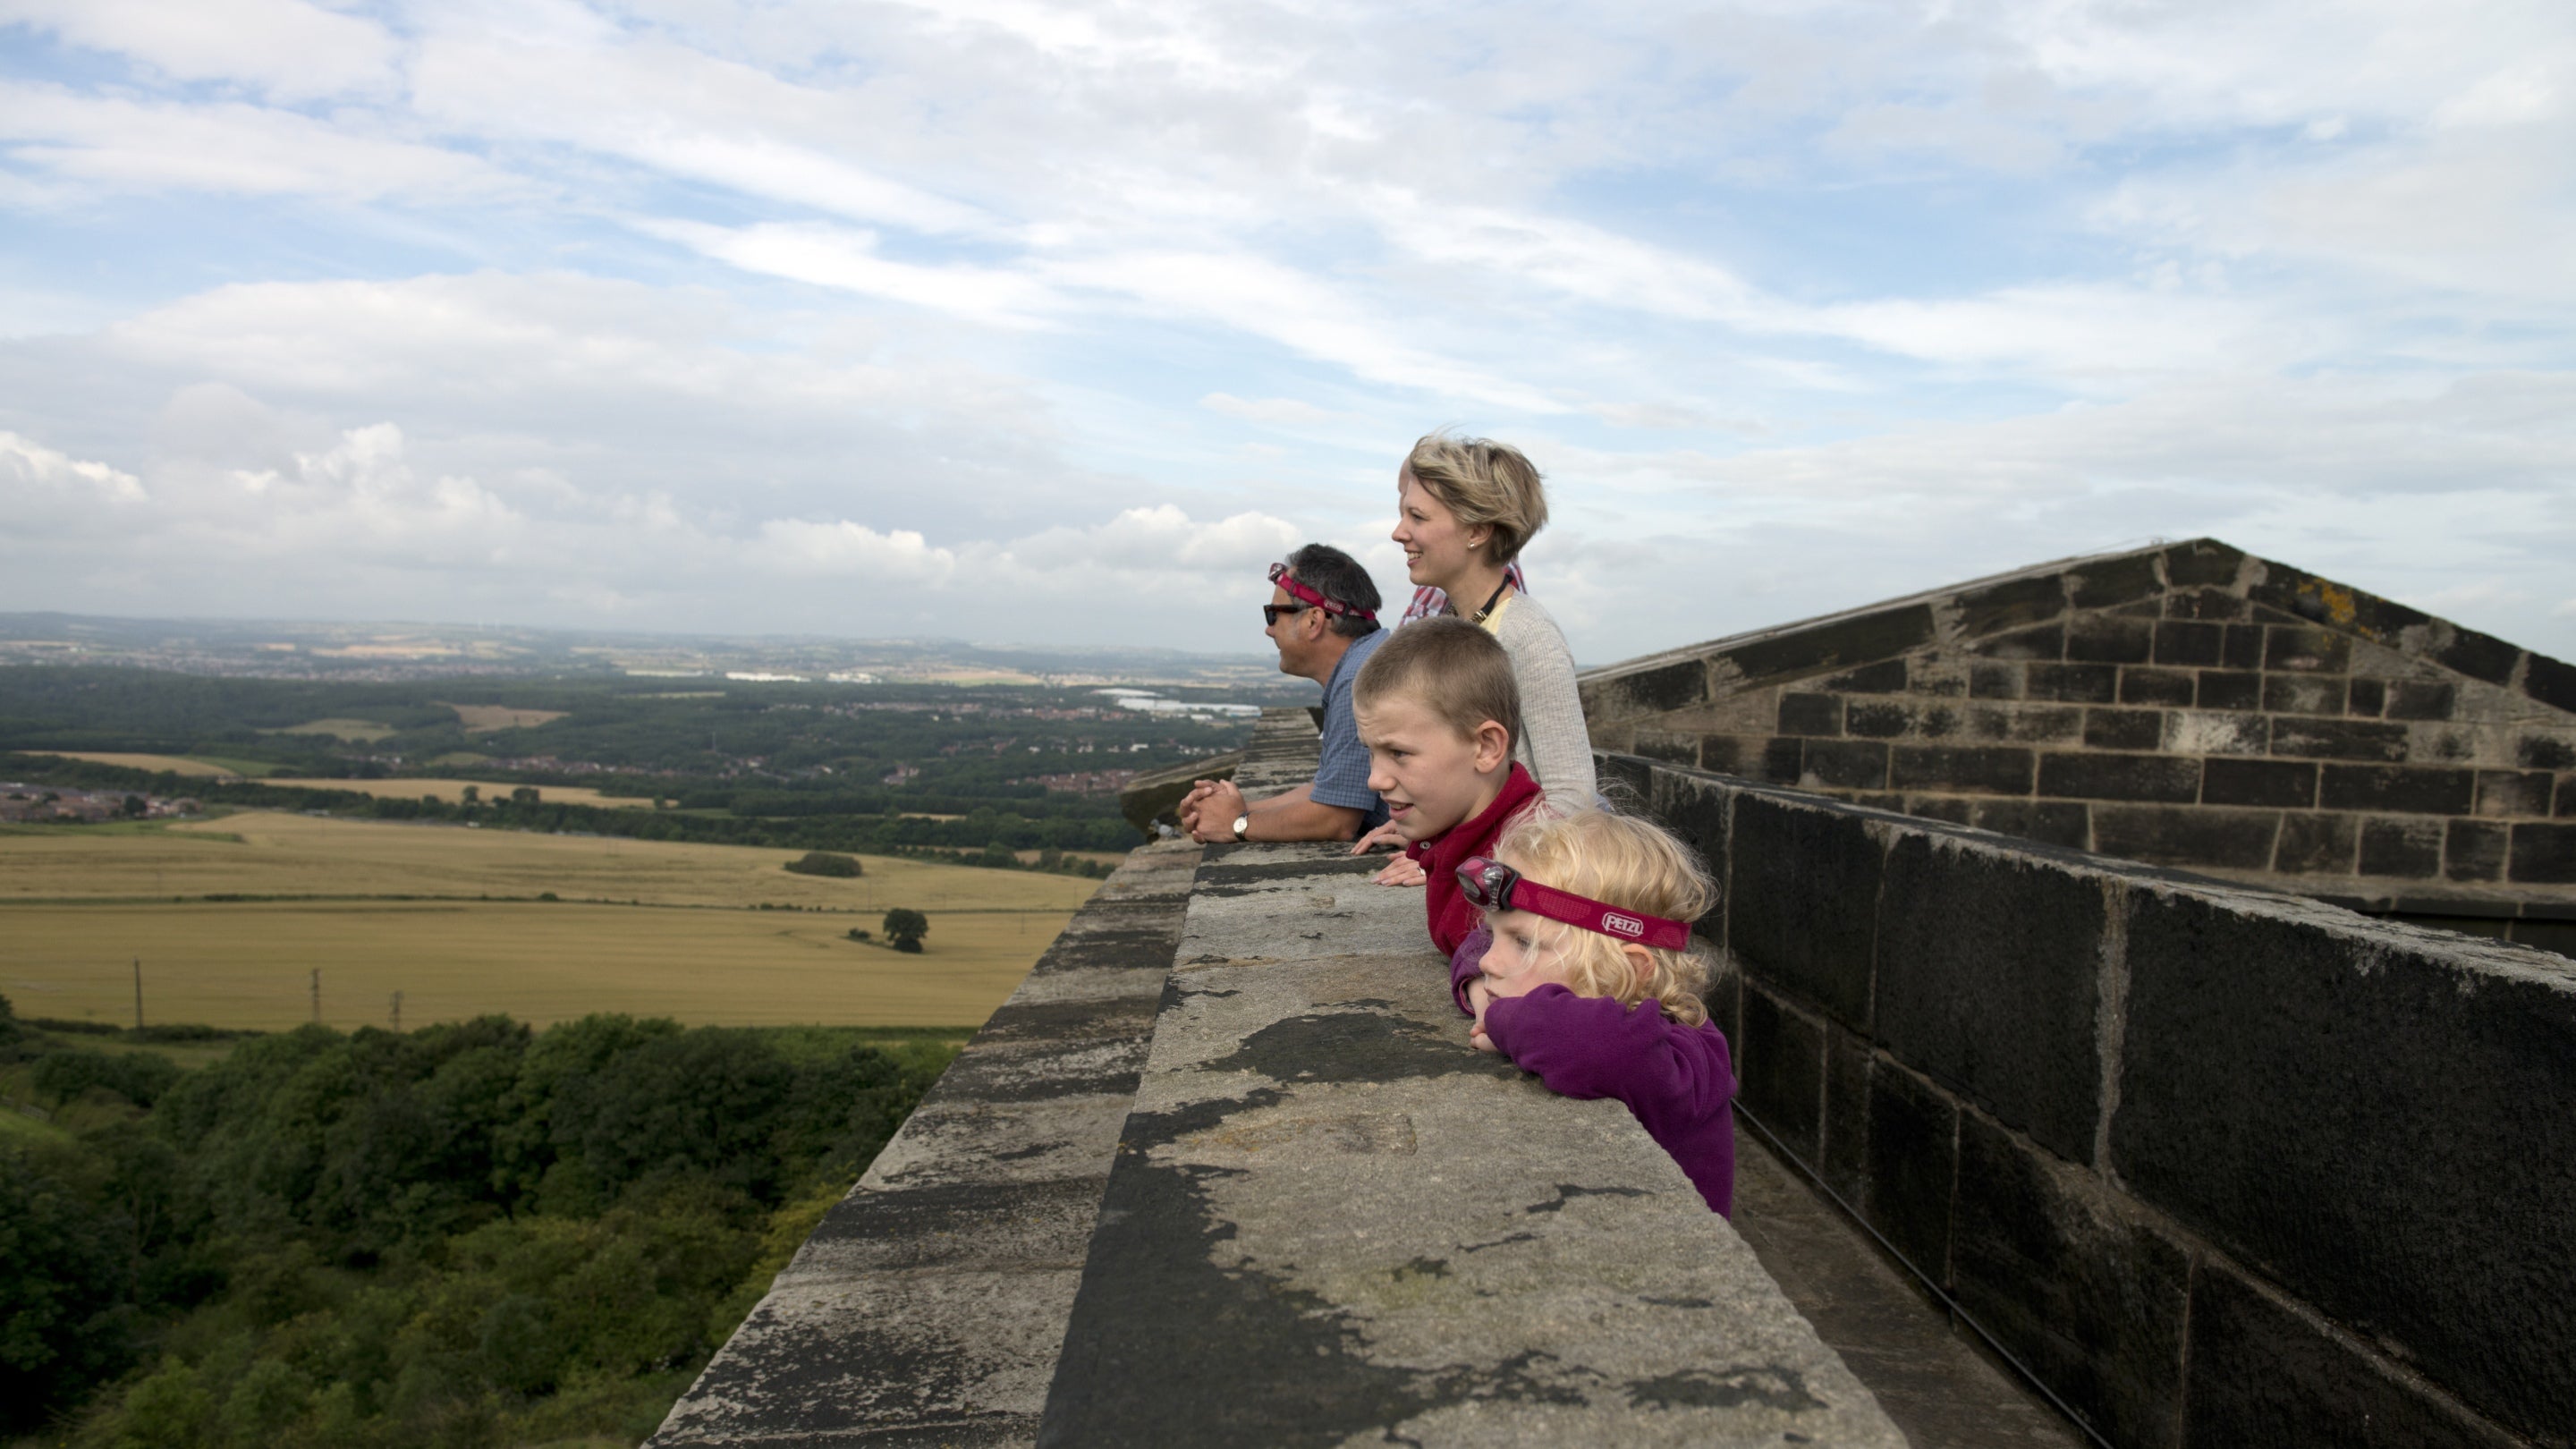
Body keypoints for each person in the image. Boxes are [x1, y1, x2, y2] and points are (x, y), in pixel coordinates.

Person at [1458, 809, 1737, 1215]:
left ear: (1628, 969)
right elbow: (1468, 948)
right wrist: (1483, 992)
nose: (1489, 961)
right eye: (1495, 933)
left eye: (1524, 943)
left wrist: (1504, 1019)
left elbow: (1599, 1045)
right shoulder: (1612, 994)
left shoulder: (1681, 1058)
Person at [1389, 431, 1596, 807]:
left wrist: (1479, 862)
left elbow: (1573, 798)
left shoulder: (1527, 634)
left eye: (1416, 516)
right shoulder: (1454, 624)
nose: (1398, 533)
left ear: (1478, 531)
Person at [1351, 617, 1547, 959]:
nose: (1375, 780)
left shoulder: (1534, 867)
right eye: (1371, 752)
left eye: (1399, 752)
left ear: (1486, 747)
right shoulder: (1467, 844)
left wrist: (1475, 980)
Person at [1176, 545, 1387, 843]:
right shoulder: (1369, 662)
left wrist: (1237, 825)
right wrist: (1232, 809)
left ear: (1313, 621)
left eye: (1273, 615)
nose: (1269, 630)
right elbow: (1331, 791)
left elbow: (1337, 820)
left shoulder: (1361, 679)